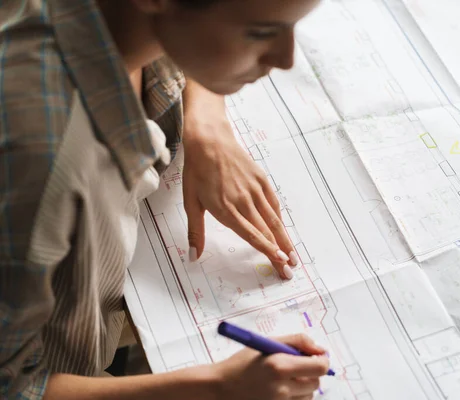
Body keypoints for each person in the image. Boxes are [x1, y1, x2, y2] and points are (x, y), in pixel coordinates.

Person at [0, 0, 330, 399]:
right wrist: (216, 388)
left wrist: (206, 120)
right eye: (260, 32)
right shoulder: (40, 162)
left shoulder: (125, 22)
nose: (286, 58)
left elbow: (184, 33)